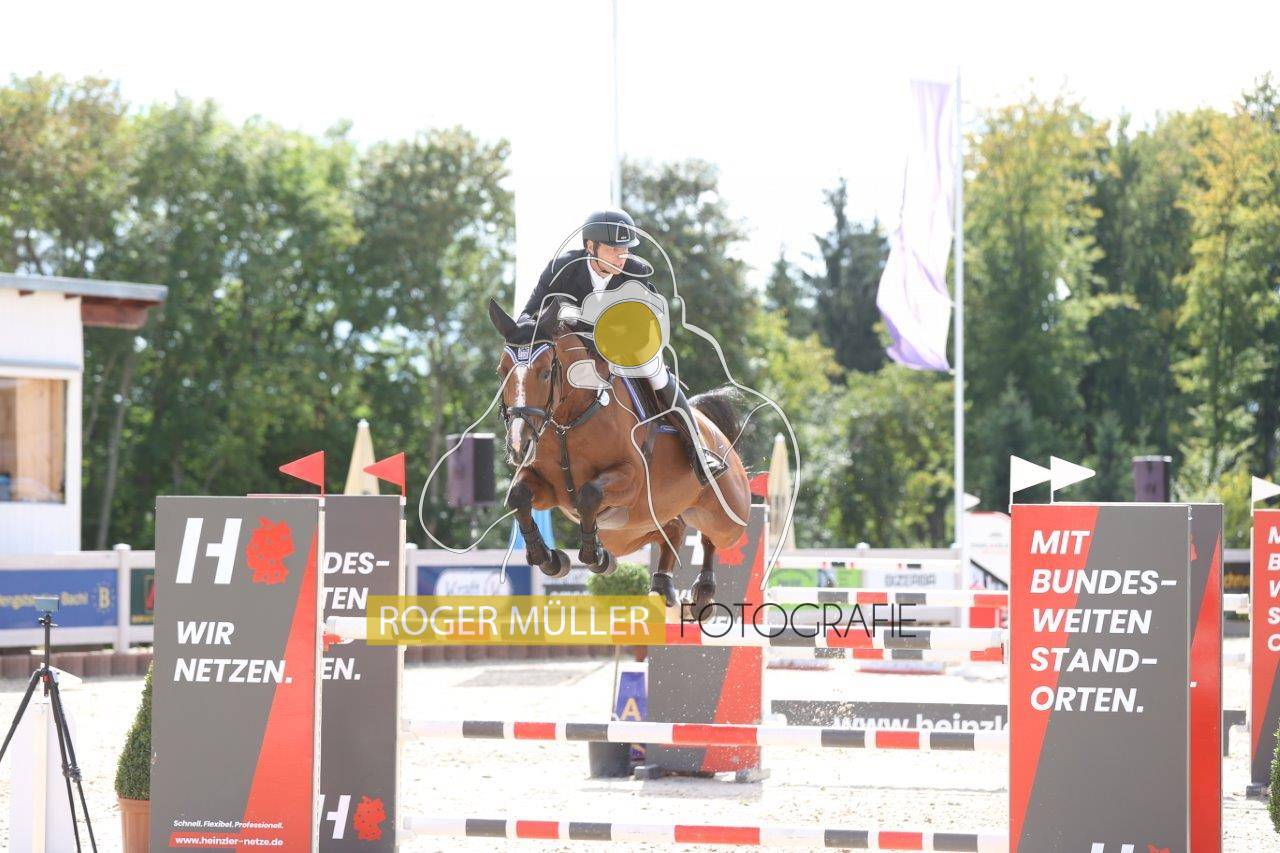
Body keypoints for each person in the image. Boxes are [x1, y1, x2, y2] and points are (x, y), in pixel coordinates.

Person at [516, 208, 727, 484]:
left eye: (625, 249)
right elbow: (528, 313)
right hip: (574, 346)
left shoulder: (635, 271)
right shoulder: (562, 269)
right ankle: (526, 436)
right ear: (590, 247)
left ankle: (697, 450)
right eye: (614, 249)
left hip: (627, 342)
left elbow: (642, 322)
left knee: (655, 372)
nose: (622, 256)